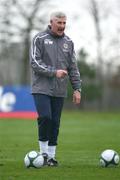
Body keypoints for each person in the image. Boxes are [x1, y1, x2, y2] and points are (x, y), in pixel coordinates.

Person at [30, 11, 81, 167]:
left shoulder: (69, 42)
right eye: (59, 23)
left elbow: (73, 67)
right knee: (45, 117)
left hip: (60, 90)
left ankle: (51, 157)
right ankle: (43, 154)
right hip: (41, 87)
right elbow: (35, 62)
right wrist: (54, 72)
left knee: (55, 122)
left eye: (64, 23)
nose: (62, 26)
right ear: (51, 22)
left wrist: (77, 88)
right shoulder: (39, 38)